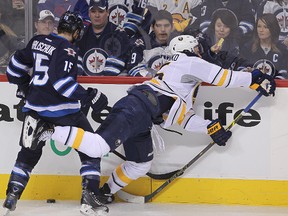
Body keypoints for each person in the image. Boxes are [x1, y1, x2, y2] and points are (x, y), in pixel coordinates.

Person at [32, 35, 276, 212]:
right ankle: (48, 130)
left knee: (140, 163)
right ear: (189, 48)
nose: (202, 53)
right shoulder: (188, 62)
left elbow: (181, 118)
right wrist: (255, 78)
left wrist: (210, 126)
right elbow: (225, 77)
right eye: (198, 49)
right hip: (136, 108)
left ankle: (104, 192)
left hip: (143, 115)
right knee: (97, 147)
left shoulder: (182, 79)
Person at [3, 11, 109, 216]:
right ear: (76, 32)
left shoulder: (37, 41)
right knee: (91, 152)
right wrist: (89, 96)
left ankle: (12, 196)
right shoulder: (67, 50)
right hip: (64, 114)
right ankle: (89, 198)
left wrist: (26, 88)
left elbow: (14, 68)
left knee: (27, 156)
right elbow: (62, 84)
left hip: (35, 110)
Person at [238, 13, 288, 79]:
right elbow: (240, 68)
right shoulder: (247, 48)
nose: (261, 30)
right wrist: (247, 72)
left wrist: (272, 83)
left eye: (265, 27)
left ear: (273, 29)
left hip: (276, 87)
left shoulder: (282, 49)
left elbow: (284, 72)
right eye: (259, 26)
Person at [127, 9, 175, 77]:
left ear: (172, 27)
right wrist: (148, 76)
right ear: (152, 27)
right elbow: (133, 68)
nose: (163, 30)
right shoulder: (141, 45)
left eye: (166, 25)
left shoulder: (179, 44)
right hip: (148, 84)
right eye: (158, 26)